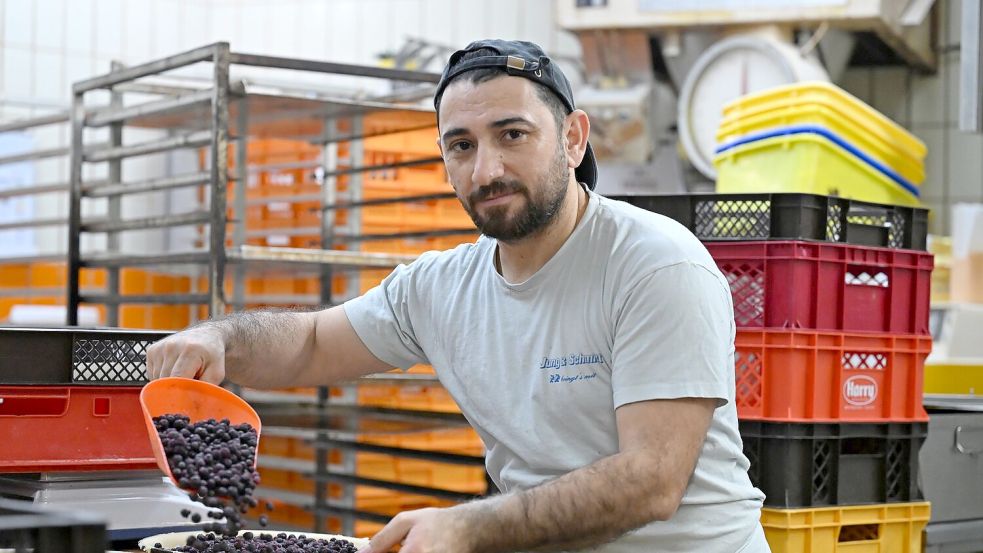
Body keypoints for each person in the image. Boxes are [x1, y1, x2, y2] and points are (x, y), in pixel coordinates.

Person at [147, 39, 769, 553]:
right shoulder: (439, 286)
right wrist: (222, 337)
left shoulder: (653, 264)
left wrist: (470, 525)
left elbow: (652, 481)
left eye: (513, 135)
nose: (486, 171)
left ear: (574, 139)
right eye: (461, 145)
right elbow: (311, 342)